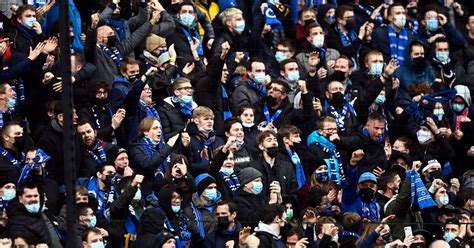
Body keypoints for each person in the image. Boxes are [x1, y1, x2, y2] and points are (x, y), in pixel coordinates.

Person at [250, 130, 297, 203]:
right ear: (261, 146)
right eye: (269, 140)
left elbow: (294, 192)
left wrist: (281, 197)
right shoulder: (253, 168)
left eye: (275, 140)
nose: (274, 143)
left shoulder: (287, 166)